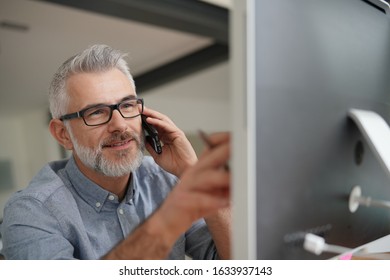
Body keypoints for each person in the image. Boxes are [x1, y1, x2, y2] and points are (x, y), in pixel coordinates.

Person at [0, 44, 231, 260]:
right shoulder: (31, 212)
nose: (120, 125)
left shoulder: (167, 180)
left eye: (127, 105)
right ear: (63, 134)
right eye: (96, 112)